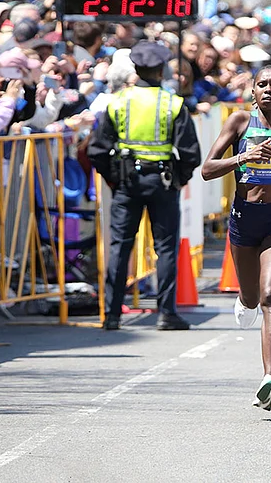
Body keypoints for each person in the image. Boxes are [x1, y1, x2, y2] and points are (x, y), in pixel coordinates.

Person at [200, 65, 271, 411]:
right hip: (244, 219)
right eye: (262, 84)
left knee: (270, 295)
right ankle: (243, 298)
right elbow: (207, 169)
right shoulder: (239, 122)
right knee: (251, 297)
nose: (268, 90)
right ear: (252, 91)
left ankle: (269, 378)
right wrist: (243, 158)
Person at [87, 41, 202, 331]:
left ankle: (112, 315)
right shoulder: (173, 104)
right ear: (162, 70)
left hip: (126, 183)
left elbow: (97, 150)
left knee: (120, 246)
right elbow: (190, 153)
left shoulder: (117, 102)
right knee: (166, 248)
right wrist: (179, 180)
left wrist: (113, 179)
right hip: (163, 182)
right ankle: (166, 314)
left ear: (136, 69)